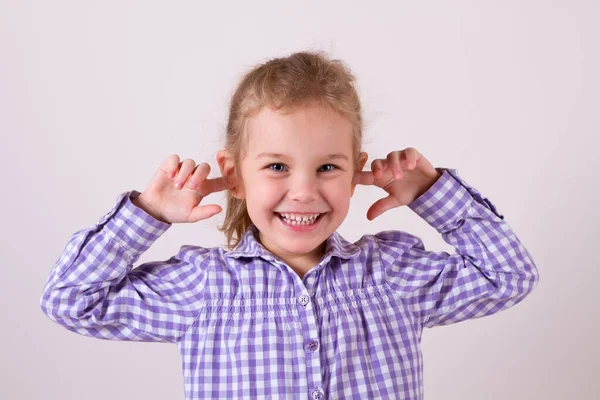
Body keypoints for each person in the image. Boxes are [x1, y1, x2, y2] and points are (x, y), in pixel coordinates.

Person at [40, 51, 539, 400]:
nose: (303, 191)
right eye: (277, 166)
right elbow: (71, 301)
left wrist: (434, 195)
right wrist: (146, 216)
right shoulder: (203, 287)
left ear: (354, 169)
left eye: (327, 167)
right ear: (234, 175)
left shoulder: (389, 273)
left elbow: (509, 276)